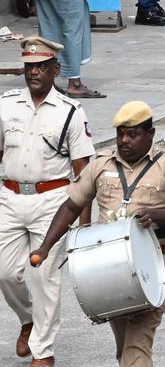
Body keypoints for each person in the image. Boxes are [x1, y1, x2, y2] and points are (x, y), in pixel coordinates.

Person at [32, 101, 165, 367]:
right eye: (120, 133)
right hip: (108, 269)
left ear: (150, 134)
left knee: (136, 345)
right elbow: (72, 205)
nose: (124, 140)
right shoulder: (101, 164)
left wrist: (157, 215)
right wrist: (45, 247)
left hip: (153, 266)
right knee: (125, 347)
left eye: (132, 134)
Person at [0, 37, 94, 367]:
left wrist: (85, 227)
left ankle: (43, 350)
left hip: (53, 201)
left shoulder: (70, 111)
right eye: (29, 67)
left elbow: (84, 173)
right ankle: (28, 319)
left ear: (56, 69)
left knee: (44, 275)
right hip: (9, 197)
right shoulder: (6, 105)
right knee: (6, 273)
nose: (34, 72)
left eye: (41, 66)